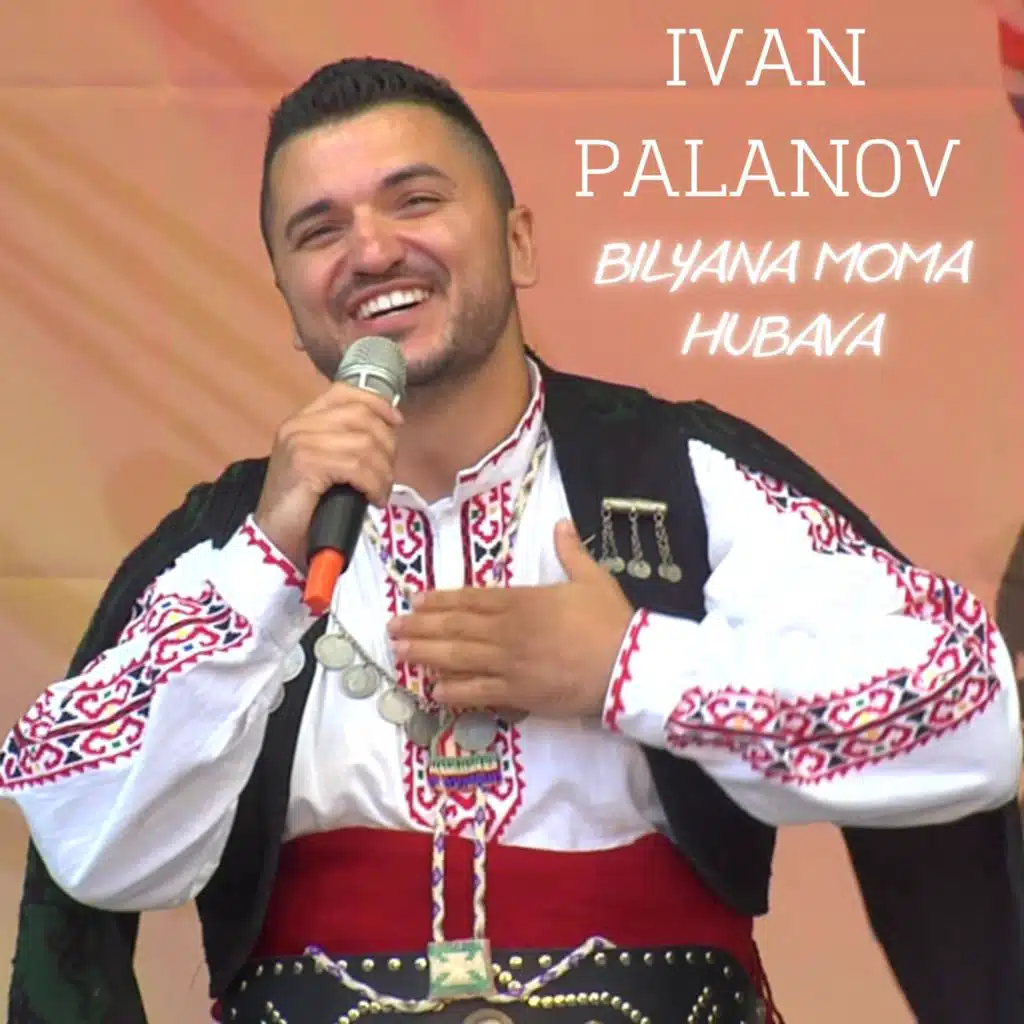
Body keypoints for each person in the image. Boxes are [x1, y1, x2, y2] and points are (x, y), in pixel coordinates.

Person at [2, 57, 1022, 1024]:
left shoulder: (683, 478)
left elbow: (970, 713)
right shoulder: (225, 547)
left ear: (519, 241)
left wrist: (627, 668)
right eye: (319, 230)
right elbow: (93, 849)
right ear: (289, 301)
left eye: (414, 199)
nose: (370, 252)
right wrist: (267, 560)